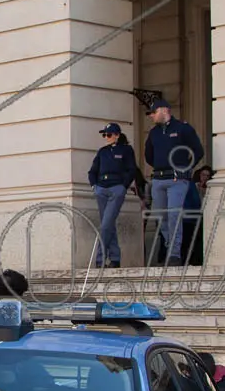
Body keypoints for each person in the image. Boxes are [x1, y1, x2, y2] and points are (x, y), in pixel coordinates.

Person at [143, 98, 205, 267]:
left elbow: (198, 150)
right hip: (159, 179)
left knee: (173, 216)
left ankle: (174, 254)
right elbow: (148, 156)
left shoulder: (183, 128)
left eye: (154, 112)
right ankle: (170, 245)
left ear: (164, 110)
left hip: (177, 179)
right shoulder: (153, 133)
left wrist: (186, 168)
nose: (151, 116)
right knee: (161, 217)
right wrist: (159, 166)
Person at [86, 123, 138, 269]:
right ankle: (115, 258)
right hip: (101, 188)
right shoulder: (102, 151)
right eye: (105, 135)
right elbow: (92, 171)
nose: (106, 137)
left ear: (117, 135)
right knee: (108, 224)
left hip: (116, 188)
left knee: (105, 225)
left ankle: (100, 258)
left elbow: (131, 169)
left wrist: (123, 186)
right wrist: (94, 186)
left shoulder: (126, 150)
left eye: (109, 135)